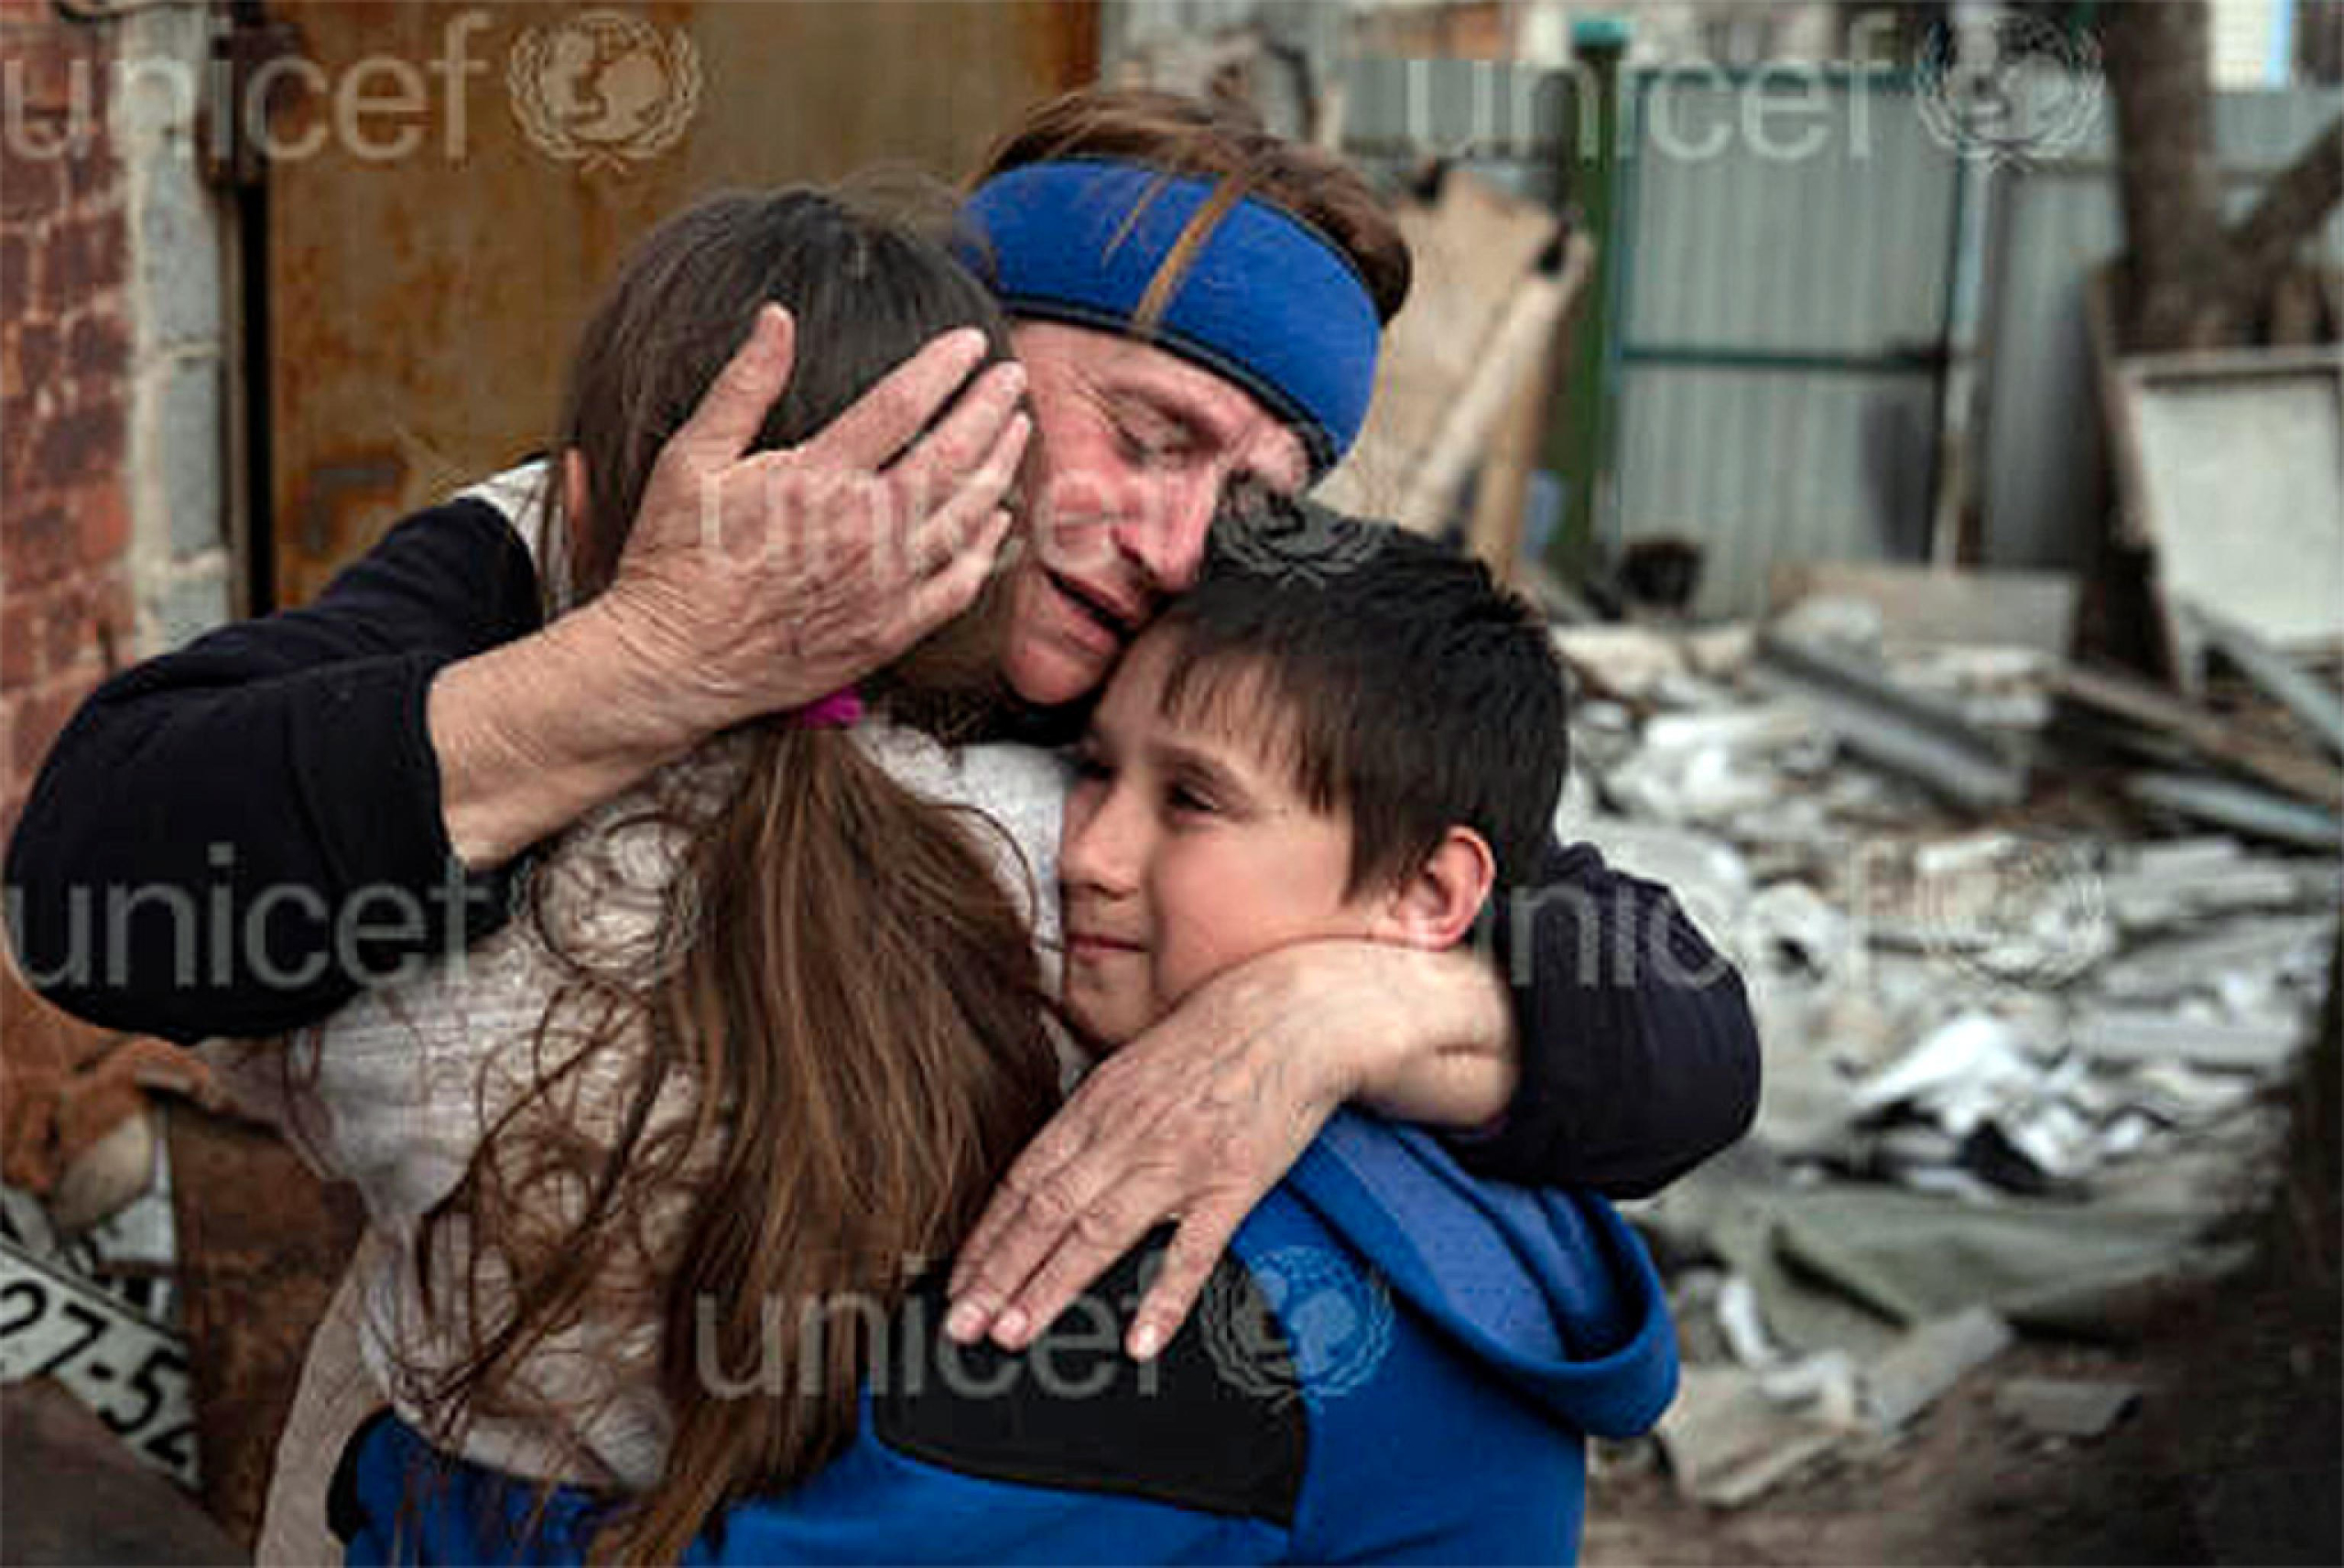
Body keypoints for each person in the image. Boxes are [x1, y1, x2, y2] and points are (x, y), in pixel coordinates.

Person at [4, 89, 1758, 1364]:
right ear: (957, 363)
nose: (1174, 543)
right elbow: (97, 884)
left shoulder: (1213, 657)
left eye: (1250, 493)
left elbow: (1682, 1032)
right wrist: (658, 663)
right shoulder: (584, 535)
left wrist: (1338, 1004)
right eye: (1143, 436)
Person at [332, 513, 1679, 1566]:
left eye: (1193, 801)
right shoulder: (1465, 1161)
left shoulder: (1182, 1296)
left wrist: (396, 1486)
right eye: (1095, 769)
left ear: (1432, 896)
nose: (1086, 850)